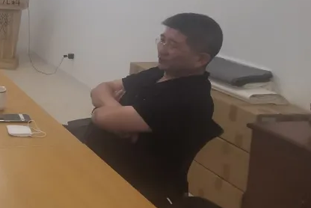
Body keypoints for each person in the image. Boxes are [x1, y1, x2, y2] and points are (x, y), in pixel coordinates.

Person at [85, 13, 224, 207]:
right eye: (162, 40)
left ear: (200, 59)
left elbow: (101, 116)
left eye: (173, 45)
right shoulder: (160, 72)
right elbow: (100, 88)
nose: (162, 49)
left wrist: (104, 112)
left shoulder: (188, 97)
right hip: (98, 157)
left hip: (132, 184)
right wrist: (116, 113)